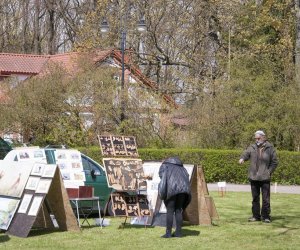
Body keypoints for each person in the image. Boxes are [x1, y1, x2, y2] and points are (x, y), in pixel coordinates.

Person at [239, 130, 278, 223]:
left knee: (266, 199)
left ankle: (266, 216)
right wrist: (242, 158)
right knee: (255, 198)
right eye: (255, 138)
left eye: (258, 138)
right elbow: (246, 154)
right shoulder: (252, 147)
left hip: (265, 178)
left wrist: (269, 172)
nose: (257, 140)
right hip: (254, 177)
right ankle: (256, 216)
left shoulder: (270, 148)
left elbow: (274, 162)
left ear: (264, 137)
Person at [158, 156, 191, 238]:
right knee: (178, 210)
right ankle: (178, 233)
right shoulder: (182, 168)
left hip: (171, 190)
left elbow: (161, 176)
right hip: (183, 191)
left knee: (170, 211)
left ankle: (168, 233)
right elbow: (187, 177)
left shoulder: (165, 165)